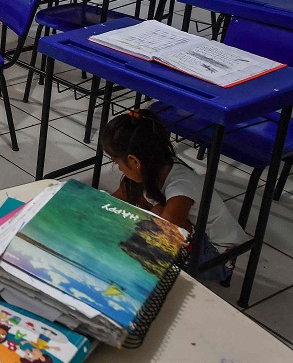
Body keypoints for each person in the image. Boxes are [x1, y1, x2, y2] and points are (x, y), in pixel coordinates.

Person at [100, 108, 249, 284]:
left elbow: (166, 233)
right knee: (135, 202)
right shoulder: (154, 166)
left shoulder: (181, 186)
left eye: (116, 162)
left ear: (134, 161)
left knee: (149, 221)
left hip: (217, 259)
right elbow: (114, 202)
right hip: (189, 236)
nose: (117, 168)